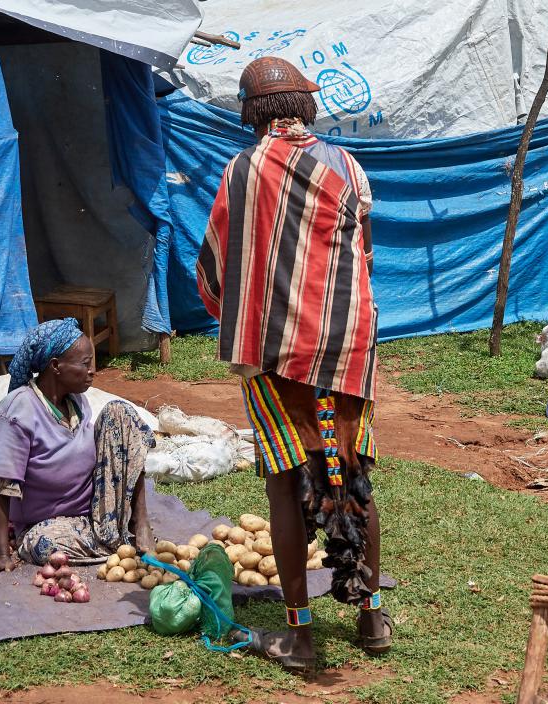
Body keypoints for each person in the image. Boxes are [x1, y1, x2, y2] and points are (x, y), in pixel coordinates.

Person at [196, 57, 390, 673]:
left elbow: (218, 264)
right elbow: (362, 254)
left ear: (251, 111)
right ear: (305, 106)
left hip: (275, 354)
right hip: (349, 350)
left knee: (285, 483)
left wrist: (250, 305)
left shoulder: (243, 170)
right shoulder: (349, 166)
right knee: (351, 471)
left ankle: (301, 637)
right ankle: (371, 615)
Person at [0, 318, 156, 574]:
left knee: (120, 412)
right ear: (56, 366)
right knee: (44, 545)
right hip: (46, 525)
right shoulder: (16, 413)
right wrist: (1, 554)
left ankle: (138, 526)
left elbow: (118, 451)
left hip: (97, 513)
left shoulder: (78, 401)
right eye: (85, 364)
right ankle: (119, 542)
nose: (92, 370)